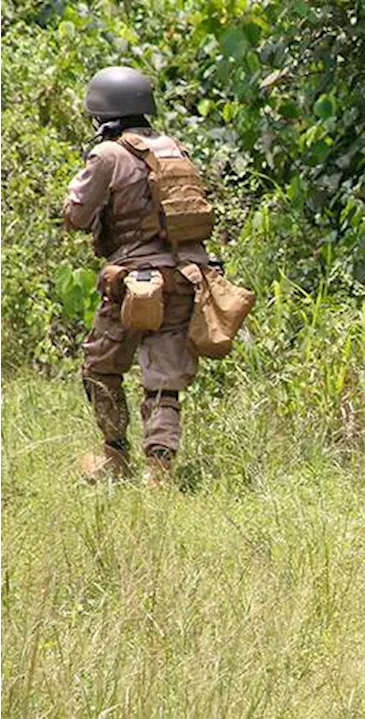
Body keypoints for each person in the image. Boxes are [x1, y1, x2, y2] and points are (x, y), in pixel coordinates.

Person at [63, 66, 215, 486]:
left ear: (102, 113)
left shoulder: (108, 154)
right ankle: (159, 472)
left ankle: (115, 456)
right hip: (184, 278)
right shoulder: (174, 149)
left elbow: (76, 216)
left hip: (133, 283)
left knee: (100, 367)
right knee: (164, 381)